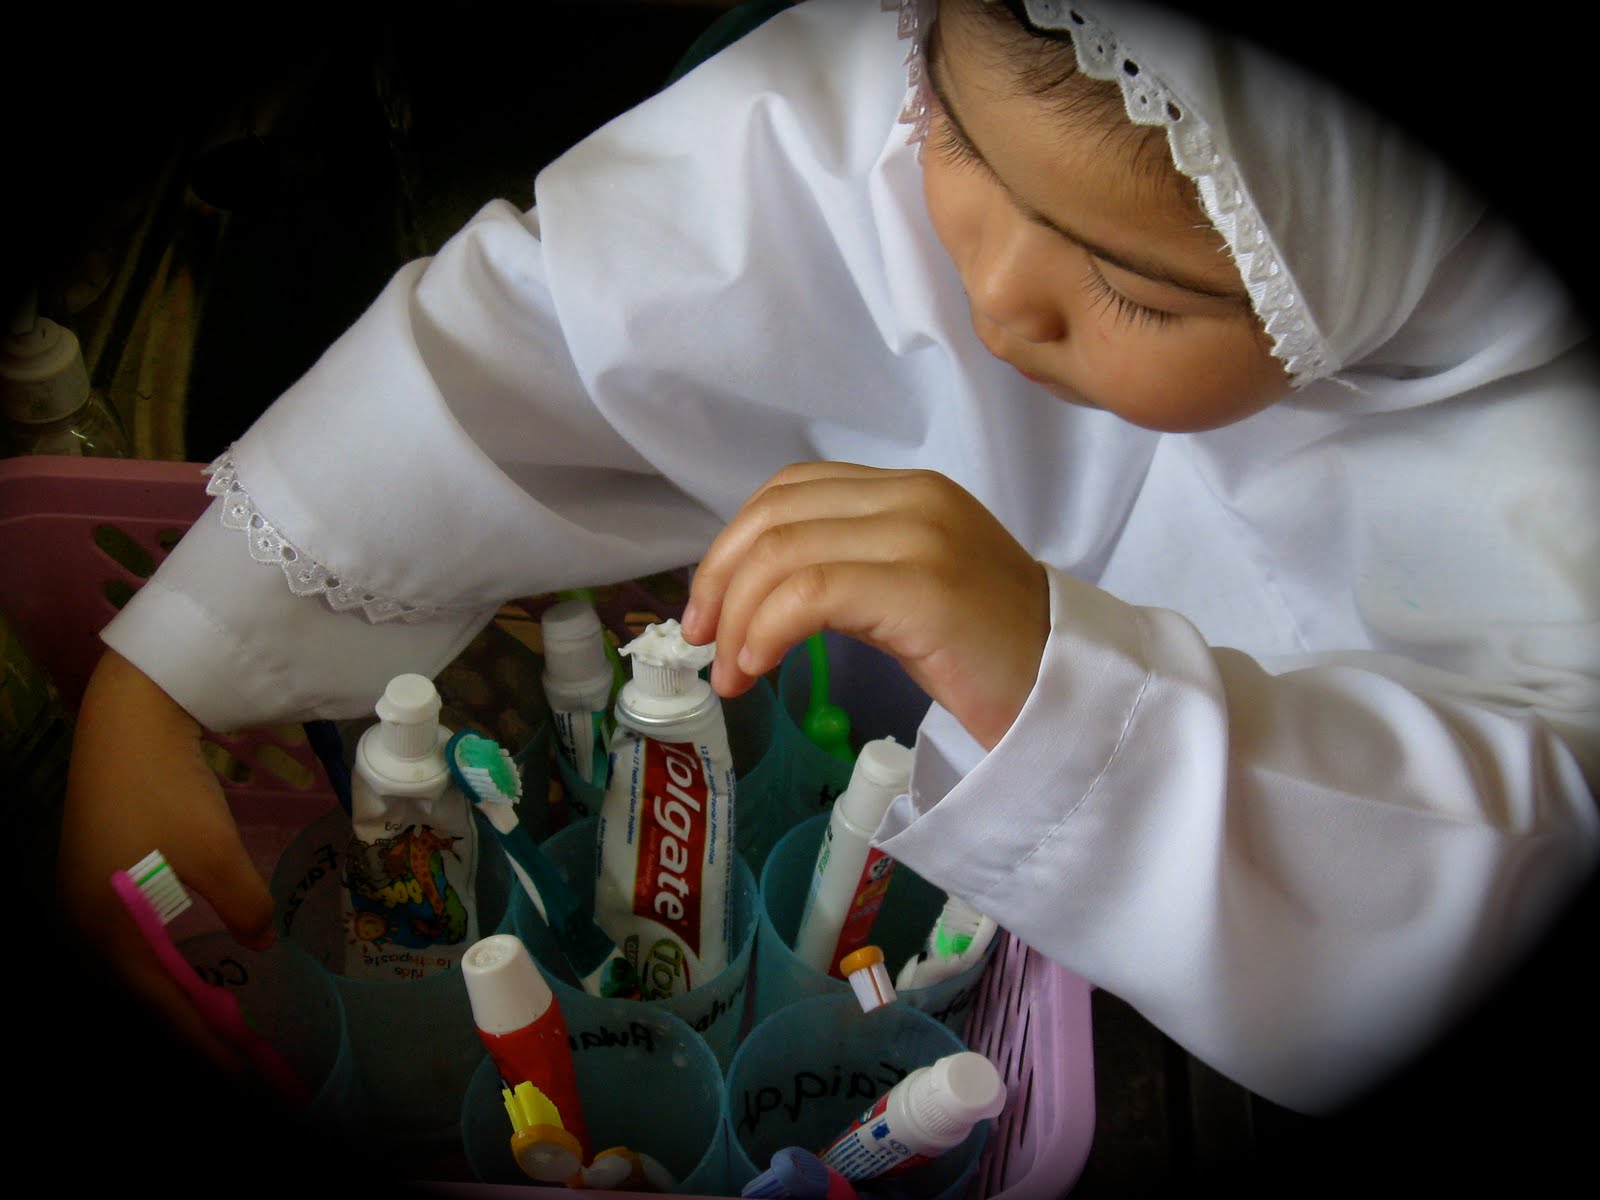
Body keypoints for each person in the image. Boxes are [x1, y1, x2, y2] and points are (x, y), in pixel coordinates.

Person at [55, 0, 1597, 1153]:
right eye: (955, 142)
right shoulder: (916, 89)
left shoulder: (1548, 481)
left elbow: (1484, 882)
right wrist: (170, 672)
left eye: (1130, 285)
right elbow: (540, 337)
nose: (994, 296)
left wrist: (1056, 680)